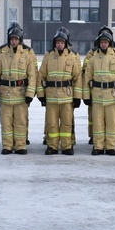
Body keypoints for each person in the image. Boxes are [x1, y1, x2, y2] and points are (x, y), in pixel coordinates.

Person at [0, 22, 37, 154]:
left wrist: (30, 94)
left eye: (16, 39)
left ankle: (21, 145)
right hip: (5, 95)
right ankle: (7, 145)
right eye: (11, 39)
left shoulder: (27, 55)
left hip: (21, 94)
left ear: (20, 40)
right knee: (6, 122)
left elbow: (33, 75)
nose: (14, 41)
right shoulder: (2, 55)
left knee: (20, 122)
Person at [82, 26, 115, 155]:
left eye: (106, 42)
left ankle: (110, 147)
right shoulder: (93, 59)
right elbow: (86, 79)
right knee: (97, 124)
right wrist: (86, 96)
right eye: (102, 42)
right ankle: (98, 146)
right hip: (97, 96)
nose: (103, 44)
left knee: (112, 123)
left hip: (112, 97)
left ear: (110, 43)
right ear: (99, 43)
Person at [36, 27, 82, 155]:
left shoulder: (72, 57)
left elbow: (78, 78)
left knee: (67, 124)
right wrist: (41, 95)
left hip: (67, 97)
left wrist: (77, 97)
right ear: (54, 43)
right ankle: (52, 146)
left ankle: (67, 146)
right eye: (58, 42)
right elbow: (41, 76)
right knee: (52, 124)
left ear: (66, 43)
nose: (60, 44)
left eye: (62, 42)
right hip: (51, 97)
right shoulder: (48, 57)